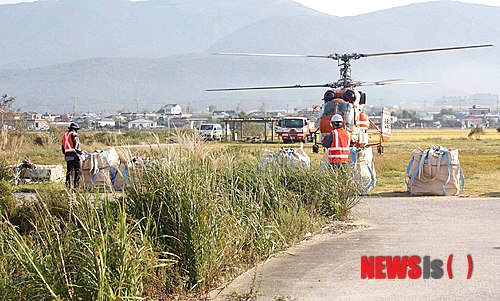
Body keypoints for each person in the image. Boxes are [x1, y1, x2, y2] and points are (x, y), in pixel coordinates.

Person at [61, 122, 83, 188]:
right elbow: (76, 145)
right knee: (77, 170)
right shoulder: (74, 134)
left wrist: (66, 153)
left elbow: (62, 146)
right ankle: (76, 186)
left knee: (69, 171)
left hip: (67, 155)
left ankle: (68, 186)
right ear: (75, 129)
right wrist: (80, 152)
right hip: (74, 154)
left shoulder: (65, 135)